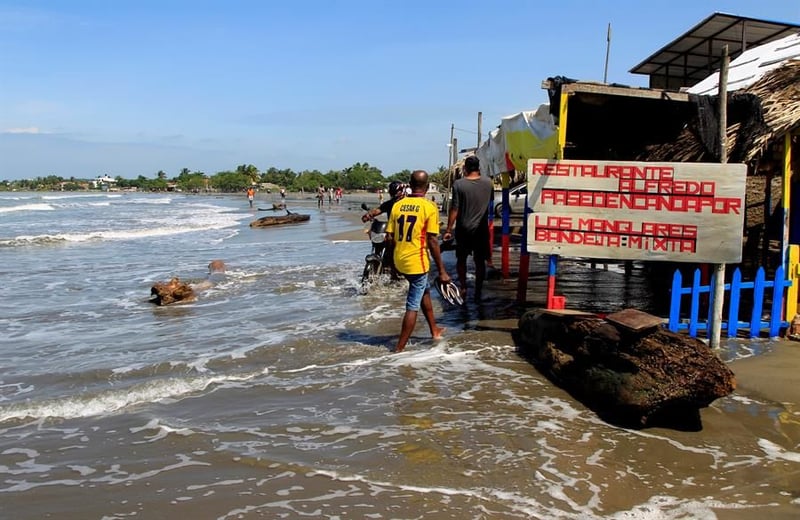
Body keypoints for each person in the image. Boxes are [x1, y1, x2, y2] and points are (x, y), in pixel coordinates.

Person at [386, 170, 452, 353]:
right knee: (412, 305)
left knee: (424, 292)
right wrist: (442, 271)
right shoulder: (429, 207)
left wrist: (392, 265)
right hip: (417, 262)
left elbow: (389, 238)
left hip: (400, 259)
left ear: (409, 183)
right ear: (427, 185)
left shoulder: (398, 206)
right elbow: (432, 240)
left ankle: (434, 330)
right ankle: (399, 349)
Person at [442, 155, 493, 302]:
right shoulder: (488, 183)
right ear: (479, 168)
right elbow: (488, 203)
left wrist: (448, 230)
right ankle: (478, 291)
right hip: (481, 229)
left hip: (463, 229)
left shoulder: (458, 184)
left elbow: (455, 209)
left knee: (461, 260)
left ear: (465, 168)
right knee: (479, 262)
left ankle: (463, 287)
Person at [361, 181, 408, 279]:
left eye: (397, 192)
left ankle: (398, 271)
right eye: (393, 193)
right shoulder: (390, 203)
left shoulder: (407, 204)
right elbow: (378, 210)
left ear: (401, 191)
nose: (395, 195)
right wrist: (368, 215)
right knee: (383, 246)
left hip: (402, 233)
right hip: (390, 232)